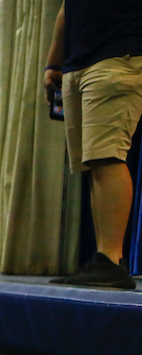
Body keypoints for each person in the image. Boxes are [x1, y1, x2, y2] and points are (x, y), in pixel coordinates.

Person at [45, 2, 142, 289]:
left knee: (107, 155)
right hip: (78, 62)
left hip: (119, 54)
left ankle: (112, 260)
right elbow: (68, 7)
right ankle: (104, 259)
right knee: (93, 162)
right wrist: (54, 61)